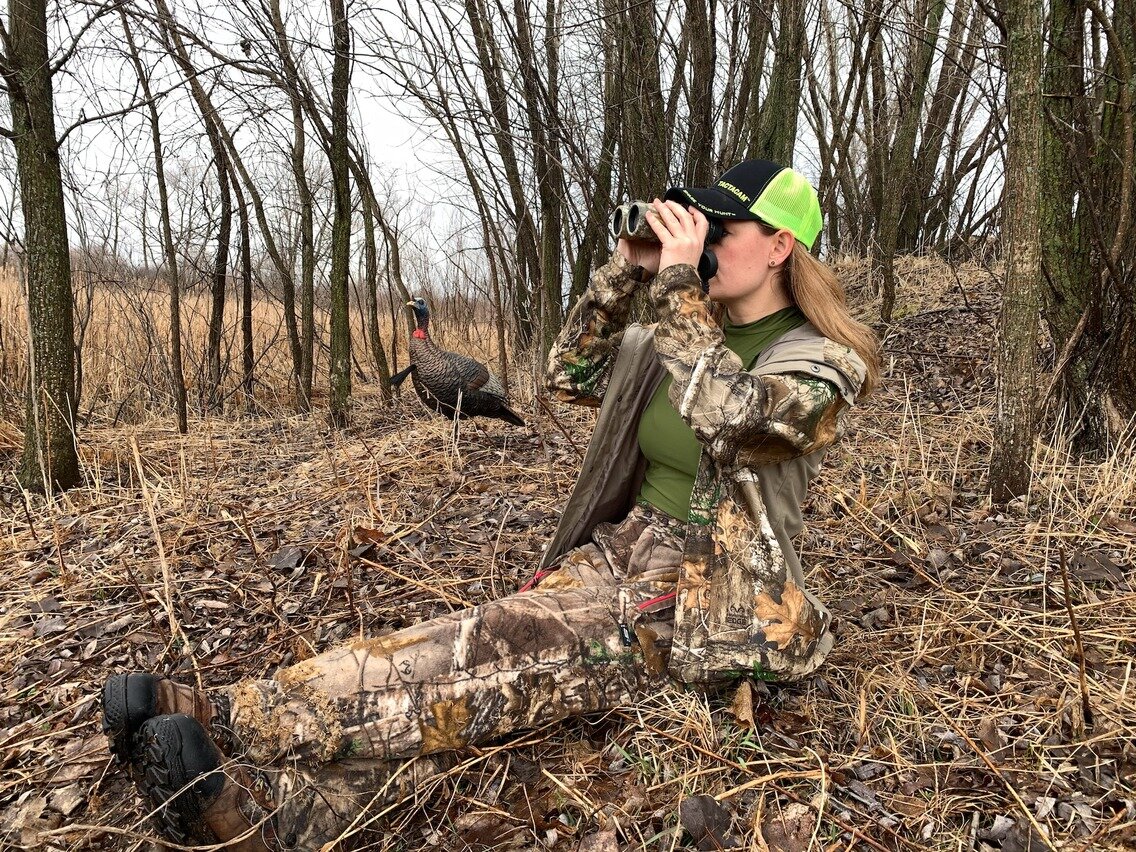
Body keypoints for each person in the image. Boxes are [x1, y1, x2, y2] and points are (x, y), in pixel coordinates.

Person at [100, 159, 880, 850]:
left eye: (720, 226)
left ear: (780, 245)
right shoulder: (668, 334)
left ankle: (232, 719)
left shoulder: (820, 361)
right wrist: (628, 274)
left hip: (711, 597)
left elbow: (731, 414)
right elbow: (568, 372)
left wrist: (679, 288)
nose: (701, 239)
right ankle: (268, 819)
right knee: (478, 670)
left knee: (490, 658)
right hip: (623, 552)